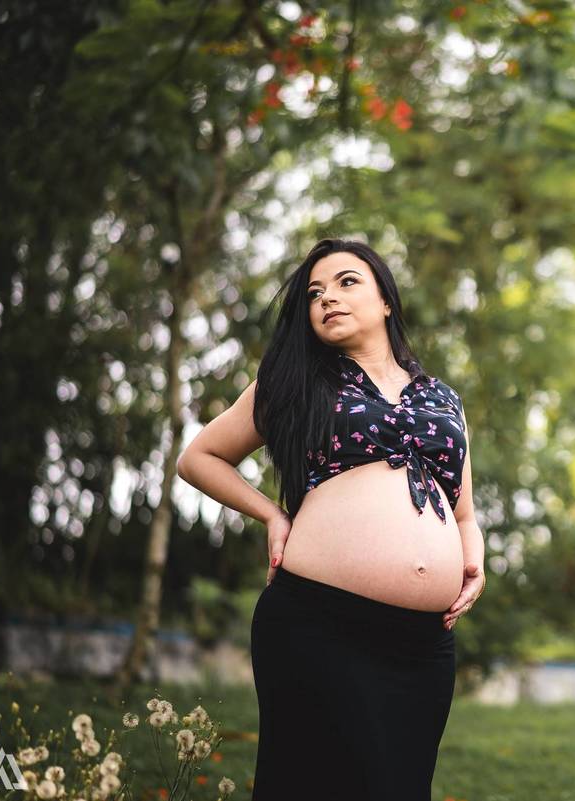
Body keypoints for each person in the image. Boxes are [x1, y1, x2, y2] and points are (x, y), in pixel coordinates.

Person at [175, 237, 485, 800]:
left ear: (386, 300)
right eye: (314, 292)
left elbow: (463, 512)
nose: (327, 298)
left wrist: (474, 559)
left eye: (346, 282)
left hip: (422, 646)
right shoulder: (293, 381)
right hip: (319, 623)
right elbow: (198, 458)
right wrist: (271, 514)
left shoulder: (444, 398)